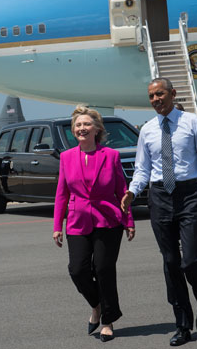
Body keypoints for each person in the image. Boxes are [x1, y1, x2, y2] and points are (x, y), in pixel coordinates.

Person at [121, 78, 197, 347]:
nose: (156, 99)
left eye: (160, 94)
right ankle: (182, 324)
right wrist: (133, 191)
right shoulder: (147, 130)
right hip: (159, 196)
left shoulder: (192, 122)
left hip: (188, 193)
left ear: (172, 94)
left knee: (190, 260)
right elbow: (142, 168)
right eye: (151, 96)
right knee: (170, 262)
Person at [53, 106, 135, 342]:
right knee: (77, 270)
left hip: (108, 220)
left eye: (86, 124)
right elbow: (62, 194)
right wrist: (57, 225)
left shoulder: (111, 155)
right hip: (77, 220)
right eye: (78, 125)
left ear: (97, 129)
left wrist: (128, 220)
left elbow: (122, 190)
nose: (81, 128)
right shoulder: (66, 157)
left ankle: (108, 320)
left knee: (103, 269)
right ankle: (97, 305)